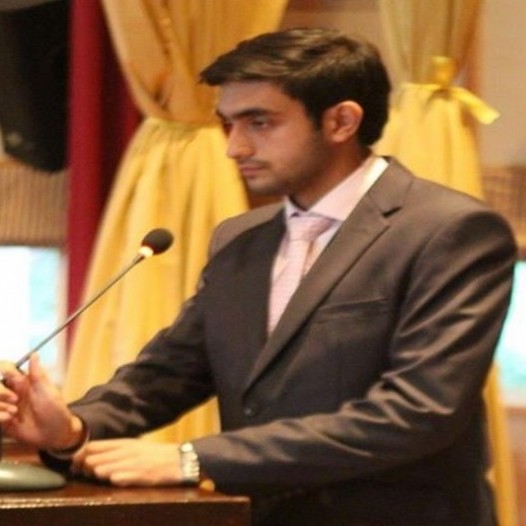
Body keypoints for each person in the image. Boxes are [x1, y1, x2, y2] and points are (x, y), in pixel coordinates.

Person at [0, 27, 518, 526]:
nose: (235, 147)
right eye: (228, 124)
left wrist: (194, 458)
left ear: (341, 121)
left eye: (259, 123)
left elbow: (418, 411)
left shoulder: (451, 231)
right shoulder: (240, 237)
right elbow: (168, 373)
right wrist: (71, 426)